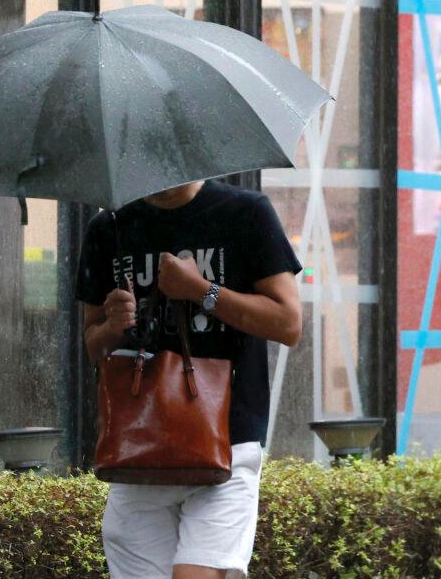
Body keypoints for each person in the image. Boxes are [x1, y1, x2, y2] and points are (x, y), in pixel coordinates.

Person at [76, 178, 302, 579]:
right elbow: (94, 345)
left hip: (226, 447)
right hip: (139, 450)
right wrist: (112, 325)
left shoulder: (245, 214)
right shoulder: (109, 226)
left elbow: (288, 323)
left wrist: (201, 290)